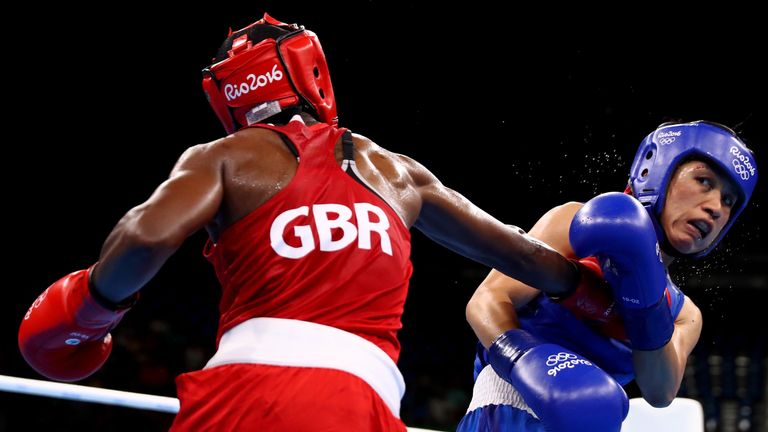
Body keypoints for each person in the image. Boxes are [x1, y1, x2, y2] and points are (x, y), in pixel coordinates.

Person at [17, 13, 585, 432]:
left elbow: (146, 235)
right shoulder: (399, 174)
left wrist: (91, 308)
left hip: (240, 392)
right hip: (358, 403)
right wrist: (591, 289)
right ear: (312, 73)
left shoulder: (225, 157)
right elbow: (519, 254)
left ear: (229, 97)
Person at [457, 120, 759, 431]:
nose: (716, 208)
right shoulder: (575, 223)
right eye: (705, 182)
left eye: (728, 201)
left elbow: (659, 392)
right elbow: (487, 299)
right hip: (504, 414)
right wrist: (522, 360)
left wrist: (646, 303)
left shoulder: (684, 315)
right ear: (656, 172)